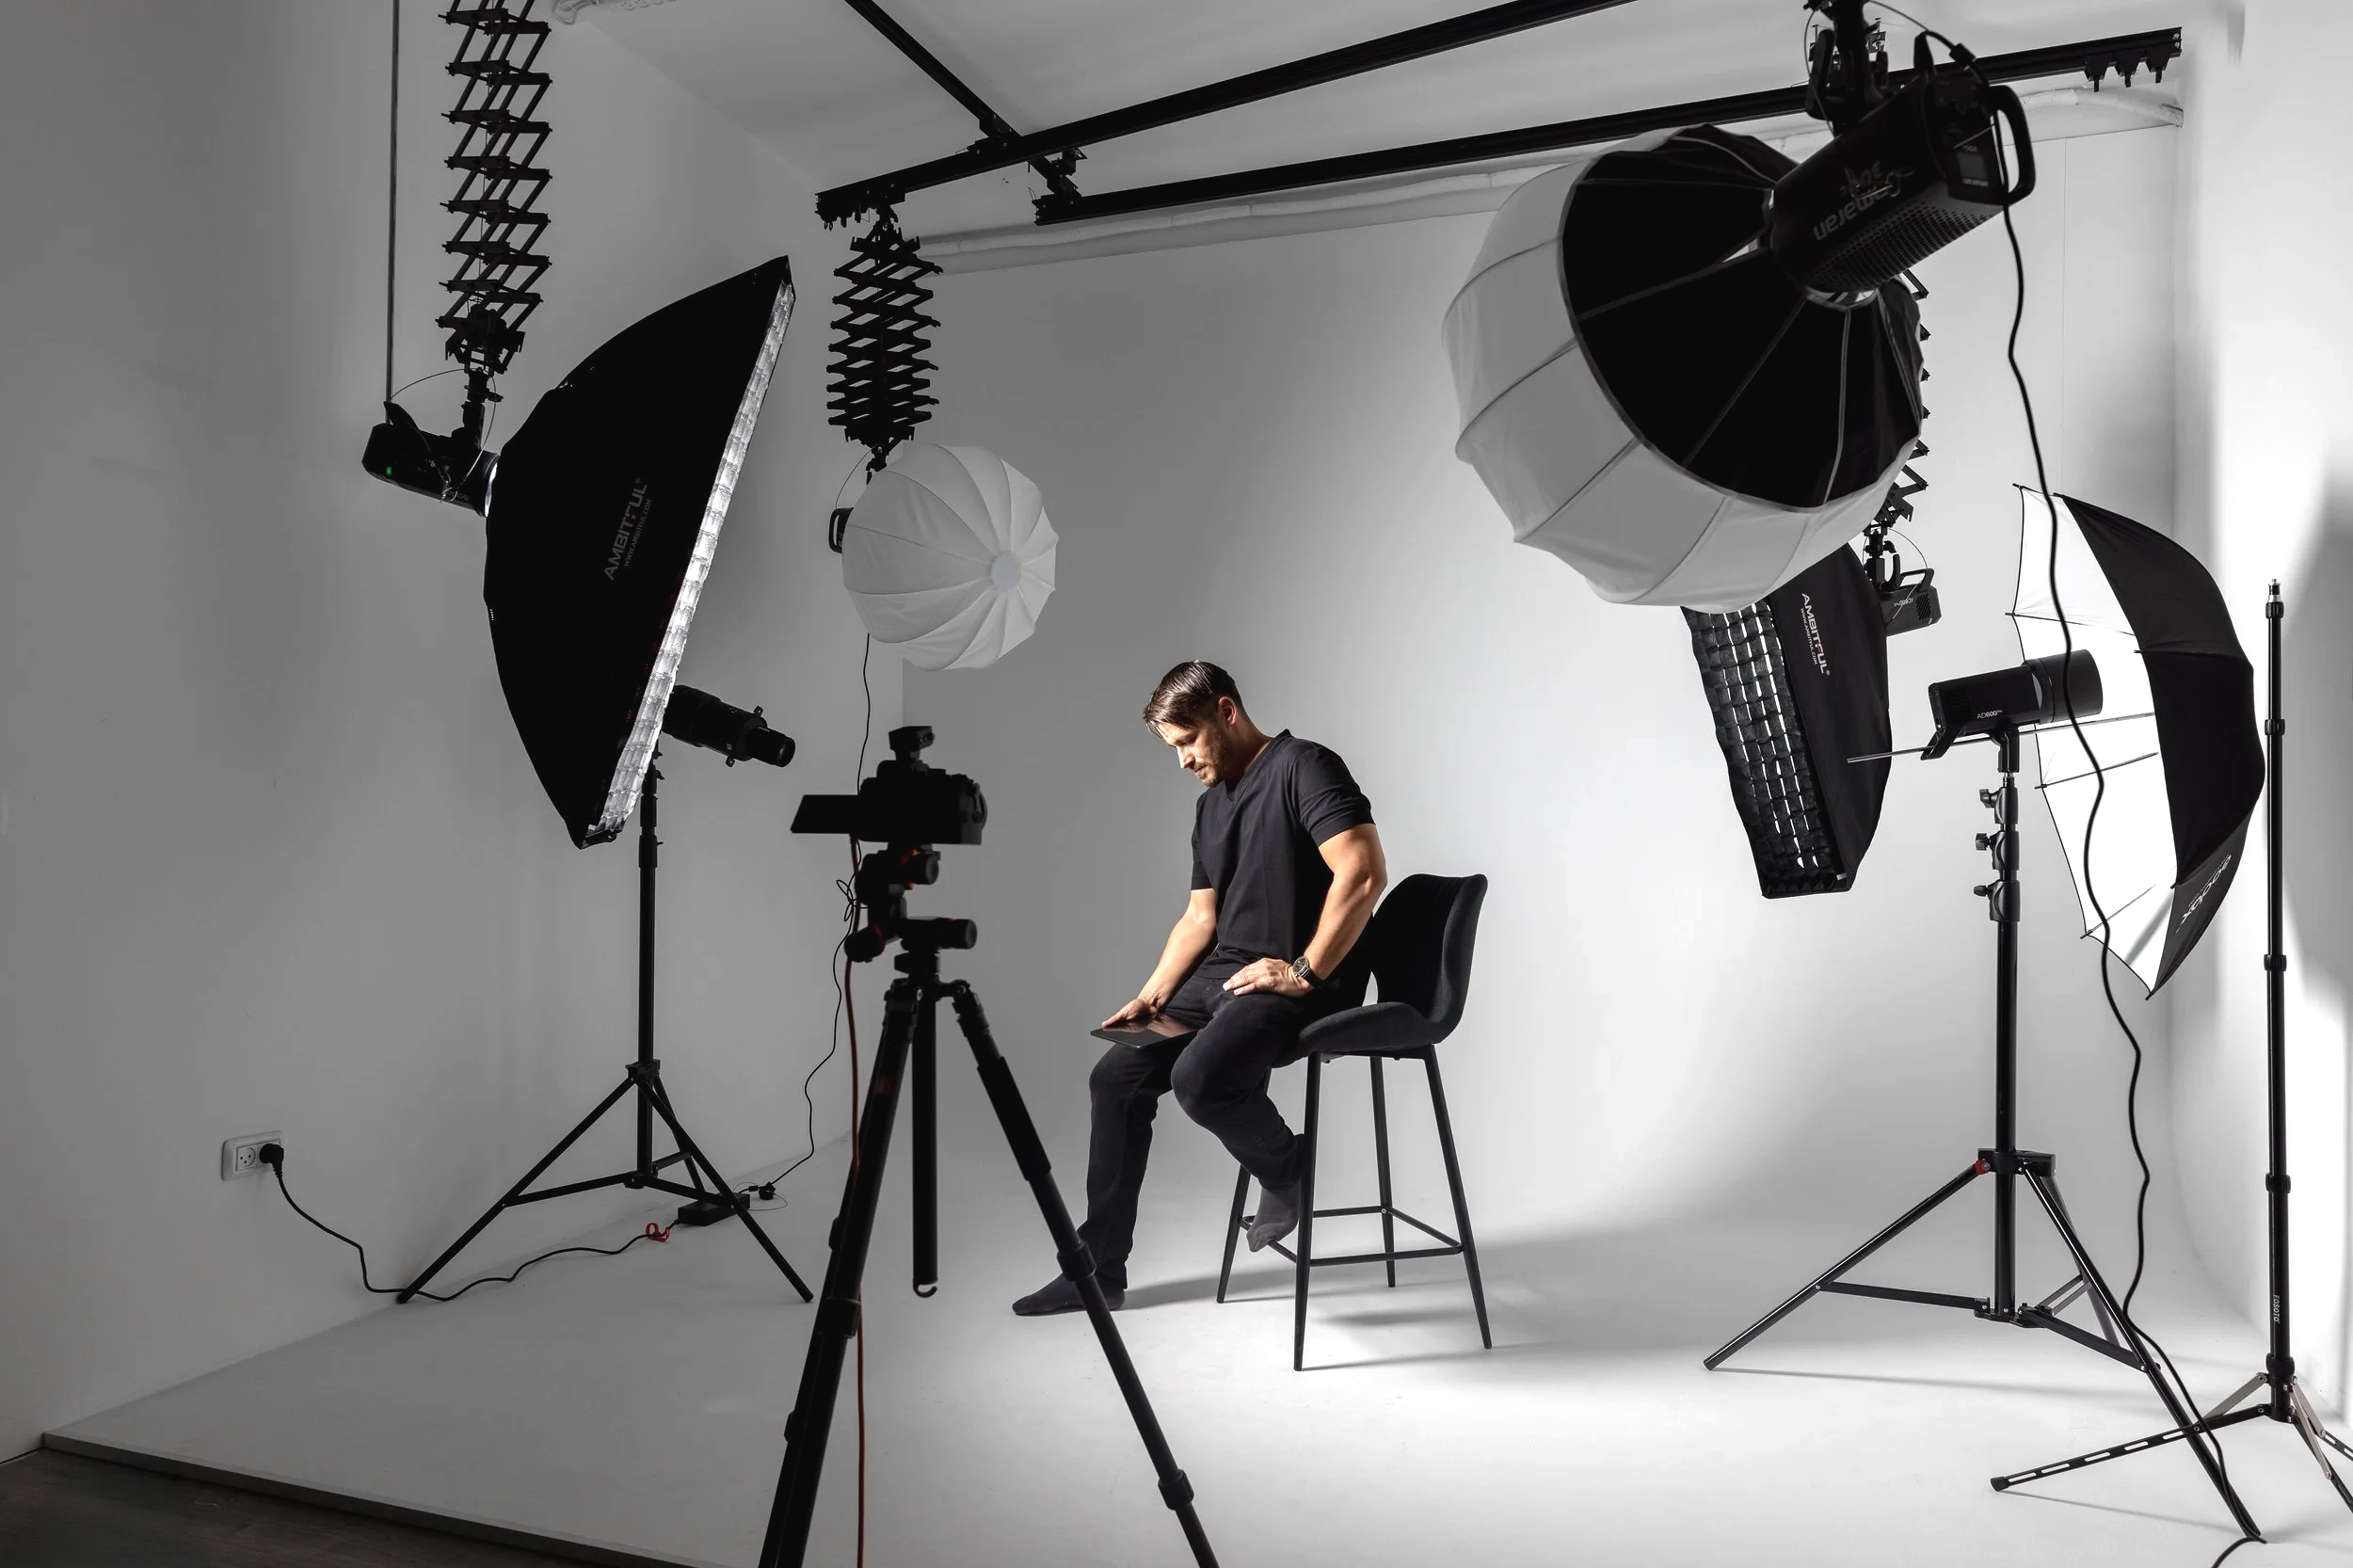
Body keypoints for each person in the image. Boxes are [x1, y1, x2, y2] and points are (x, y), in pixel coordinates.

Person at [1013, 662, 1386, 1316]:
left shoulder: (1306, 766)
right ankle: (1099, 1271)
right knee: (1115, 1079)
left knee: (1201, 1079)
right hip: (1227, 974)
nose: (1182, 760)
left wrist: (1302, 971)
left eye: (1187, 742)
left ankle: (1284, 1165)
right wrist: (1152, 994)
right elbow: (1200, 917)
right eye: (1172, 749)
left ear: (1226, 711)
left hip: (1299, 980)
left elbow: (1361, 873)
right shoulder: (1210, 807)